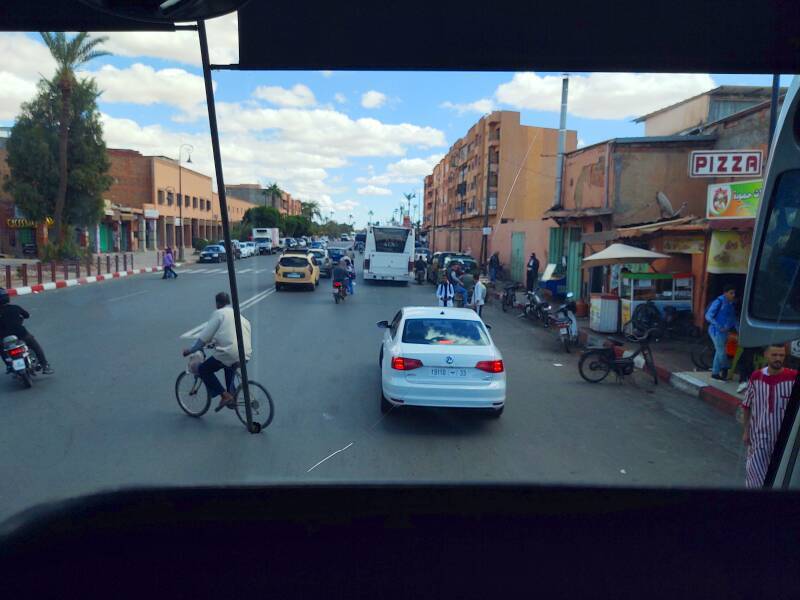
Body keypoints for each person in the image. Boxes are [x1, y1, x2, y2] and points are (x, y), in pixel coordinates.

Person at [182, 292, 252, 412]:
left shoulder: (219, 313)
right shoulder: (239, 316)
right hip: (245, 353)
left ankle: (225, 396)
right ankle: (232, 394)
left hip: (230, 352)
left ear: (218, 303)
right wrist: (216, 343)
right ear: (228, 302)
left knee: (203, 369)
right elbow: (230, 334)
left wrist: (190, 350)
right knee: (228, 365)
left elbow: (204, 337)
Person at [741, 343, 798, 488]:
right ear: (766, 355)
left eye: (781, 355)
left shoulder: (793, 378)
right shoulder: (756, 377)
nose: (778, 358)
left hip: (784, 439)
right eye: (774, 355)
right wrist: (746, 431)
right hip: (759, 437)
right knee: (754, 474)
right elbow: (747, 406)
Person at [0, 287, 53, 374]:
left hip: (3, 338)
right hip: (21, 334)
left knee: (2, 351)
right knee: (35, 346)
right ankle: (45, 365)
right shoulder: (15, 308)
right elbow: (26, 315)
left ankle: (9, 366)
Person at [705, 284, 738, 381]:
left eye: (734, 293)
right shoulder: (719, 301)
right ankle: (725, 367)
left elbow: (734, 320)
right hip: (716, 331)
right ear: (725, 293)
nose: (733, 295)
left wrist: (739, 330)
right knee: (721, 350)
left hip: (724, 332)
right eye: (731, 293)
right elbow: (708, 316)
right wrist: (719, 326)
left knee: (719, 351)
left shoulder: (731, 304)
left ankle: (715, 373)